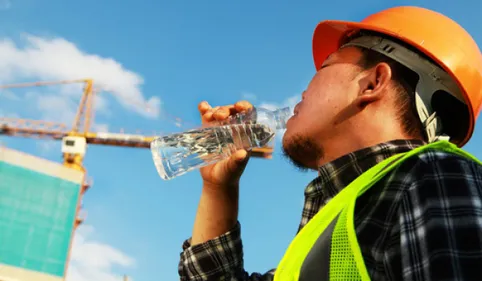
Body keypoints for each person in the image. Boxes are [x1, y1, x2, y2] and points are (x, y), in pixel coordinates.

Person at [177, 6, 482, 281]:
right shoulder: (335, 222)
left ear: (373, 83)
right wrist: (219, 189)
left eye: (325, 66)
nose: (305, 90)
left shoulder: (434, 177)